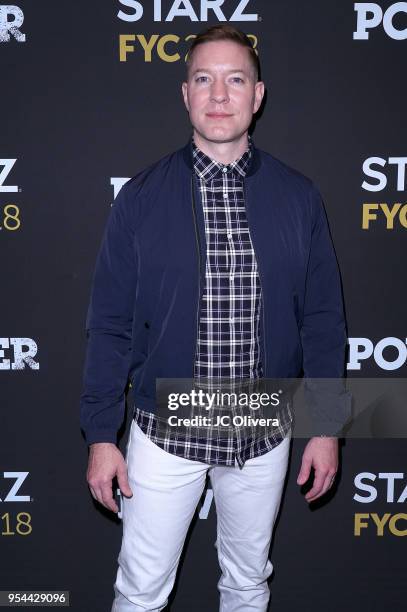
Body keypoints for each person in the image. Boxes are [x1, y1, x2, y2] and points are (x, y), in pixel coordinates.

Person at [80, 24, 350, 612]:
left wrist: (325, 426)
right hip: (165, 428)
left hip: (261, 430)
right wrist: (102, 434)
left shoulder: (299, 197)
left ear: (258, 95)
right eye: (204, 79)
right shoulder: (141, 199)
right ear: (186, 94)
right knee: (140, 589)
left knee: (248, 582)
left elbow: (323, 322)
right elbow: (110, 326)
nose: (219, 95)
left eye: (235, 80)